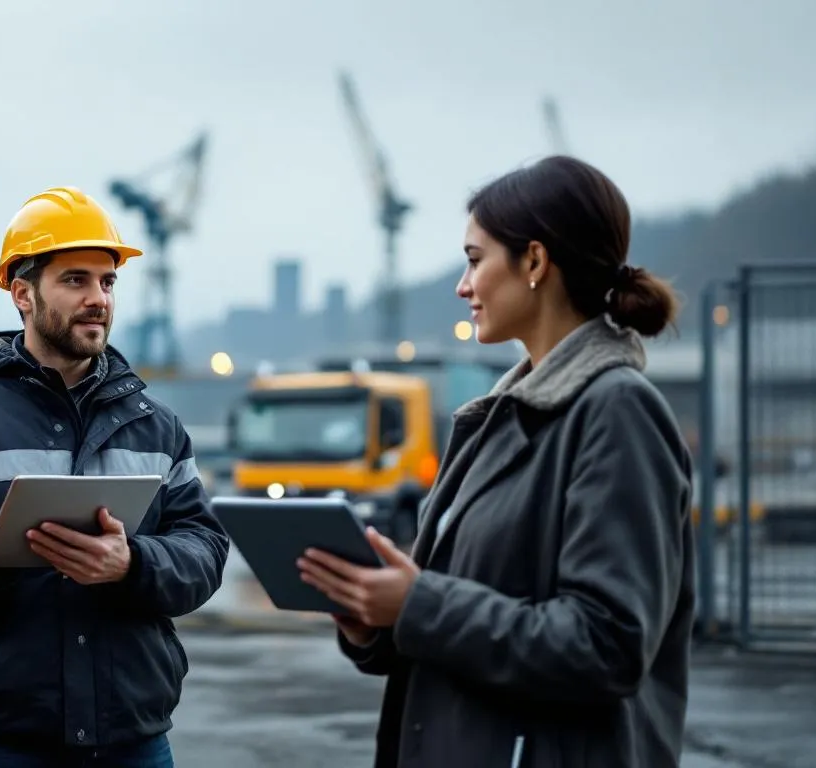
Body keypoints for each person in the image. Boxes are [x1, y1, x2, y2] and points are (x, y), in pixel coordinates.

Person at [297, 155, 695, 768]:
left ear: (534, 262)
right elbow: (458, 619)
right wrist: (372, 621)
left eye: (476, 259)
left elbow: (606, 646)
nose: (463, 286)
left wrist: (417, 602)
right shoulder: (499, 417)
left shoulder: (617, 412)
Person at [0, 186, 230, 767]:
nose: (98, 299)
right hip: (6, 740)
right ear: (23, 295)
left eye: (107, 282)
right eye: (75, 280)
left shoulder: (158, 427)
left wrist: (132, 564)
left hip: (136, 740)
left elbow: (204, 552)